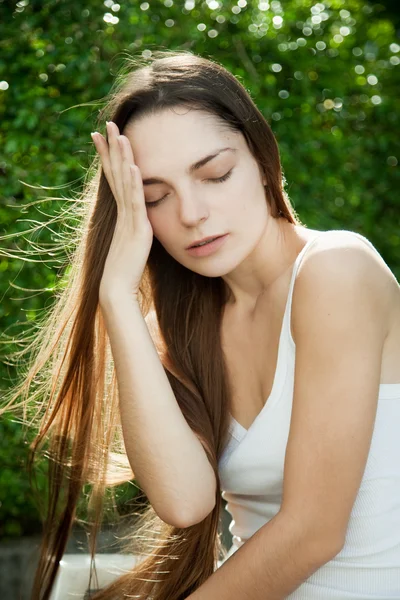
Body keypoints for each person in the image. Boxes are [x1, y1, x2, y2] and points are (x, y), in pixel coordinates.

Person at [2, 49, 400, 600]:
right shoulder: (175, 328)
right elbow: (186, 502)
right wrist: (116, 296)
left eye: (215, 174)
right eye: (156, 196)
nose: (191, 213)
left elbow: (314, 531)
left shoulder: (337, 271)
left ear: (262, 161)